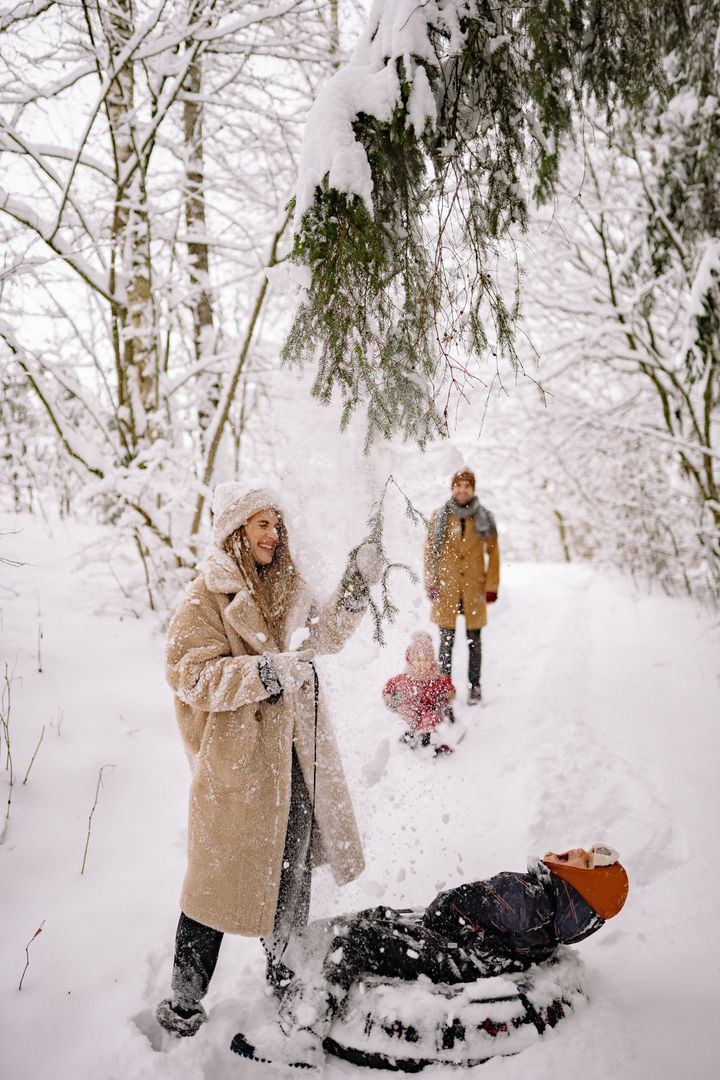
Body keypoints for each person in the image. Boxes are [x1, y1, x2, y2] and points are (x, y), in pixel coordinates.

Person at [155, 482, 383, 1038]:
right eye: (262, 524)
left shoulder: (288, 587)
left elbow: (322, 637)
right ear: (236, 530)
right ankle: (184, 1002)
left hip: (296, 762)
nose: (273, 535)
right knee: (214, 887)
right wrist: (260, 674)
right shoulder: (203, 599)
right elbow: (188, 675)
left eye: (277, 525)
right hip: (239, 770)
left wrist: (357, 582)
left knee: (291, 881)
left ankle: (289, 991)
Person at [253, 844, 628, 1068]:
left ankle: (304, 1033)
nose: (575, 852)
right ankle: (294, 967)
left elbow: (457, 902)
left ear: (583, 888)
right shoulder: (550, 917)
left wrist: (433, 925)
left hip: (455, 955)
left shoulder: (527, 897)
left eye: (586, 860)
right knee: (381, 918)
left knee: (359, 937)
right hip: (473, 952)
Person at [424, 468, 499, 704]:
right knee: (446, 642)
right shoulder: (439, 517)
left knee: (474, 641)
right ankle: (444, 689)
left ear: (473, 489)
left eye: (467, 486)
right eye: (458, 485)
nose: (462, 489)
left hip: (474, 588)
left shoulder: (484, 517)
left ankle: (474, 687)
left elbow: (494, 554)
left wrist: (492, 586)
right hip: (447, 587)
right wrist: (431, 581)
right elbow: (429, 553)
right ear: (452, 488)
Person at [382, 631, 455, 755]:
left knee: (430, 717)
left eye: (426, 659)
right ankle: (408, 734)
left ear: (431, 660)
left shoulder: (436, 677)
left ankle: (427, 736)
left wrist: (449, 692)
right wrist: (388, 694)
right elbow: (391, 684)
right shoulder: (407, 677)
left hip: (428, 707)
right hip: (412, 706)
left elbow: (447, 685)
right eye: (419, 659)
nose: (422, 663)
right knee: (407, 713)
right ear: (411, 660)